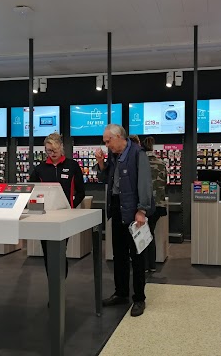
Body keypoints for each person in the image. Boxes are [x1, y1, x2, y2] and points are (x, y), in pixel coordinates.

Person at [95, 124, 153, 317]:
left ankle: (139, 298)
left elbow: (145, 183)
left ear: (119, 136)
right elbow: (105, 179)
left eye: (107, 141)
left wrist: (141, 210)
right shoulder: (113, 156)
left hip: (133, 211)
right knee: (118, 255)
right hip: (117, 209)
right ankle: (121, 293)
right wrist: (101, 163)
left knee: (136, 256)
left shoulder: (137, 153)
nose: (106, 145)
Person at [29, 133, 85, 280]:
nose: (52, 153)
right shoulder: (40, 169)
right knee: (47, 253)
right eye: (48, 151)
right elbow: (30, 190)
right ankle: (53, 285)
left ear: (61, 147)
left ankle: (60, 284)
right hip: (44, 218)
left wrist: (71, 207)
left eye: (54, 150)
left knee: (60, 252)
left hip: (65, 218)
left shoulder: (72, 166)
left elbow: (81, 192)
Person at [142, 136, 167, 272]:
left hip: (145, 205)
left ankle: (145, 265)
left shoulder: (140, 163)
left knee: (144, 234)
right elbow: (164, 183)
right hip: (158, 205)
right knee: (150, 232)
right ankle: (151, 264)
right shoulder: (161, 163)